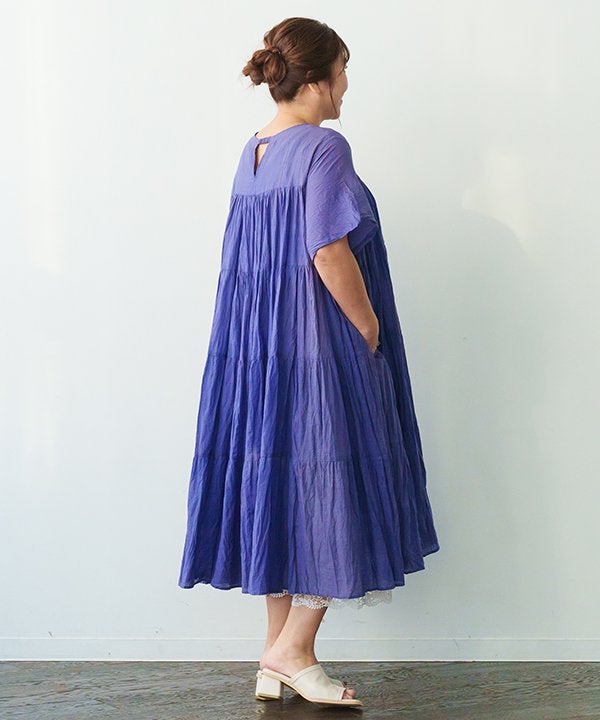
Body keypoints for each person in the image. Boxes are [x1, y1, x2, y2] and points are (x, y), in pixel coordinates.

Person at [178, 17, 441, 707]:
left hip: (264, 353)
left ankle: (277, 660)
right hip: (319, 347)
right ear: (319, 78)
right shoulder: (324, 148)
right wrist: (368, 325)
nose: (347, 85)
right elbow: (327, 250)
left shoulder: (255, 150)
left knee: (284, 488)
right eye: (344, 70)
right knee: (334, 487)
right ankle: (292, 649)